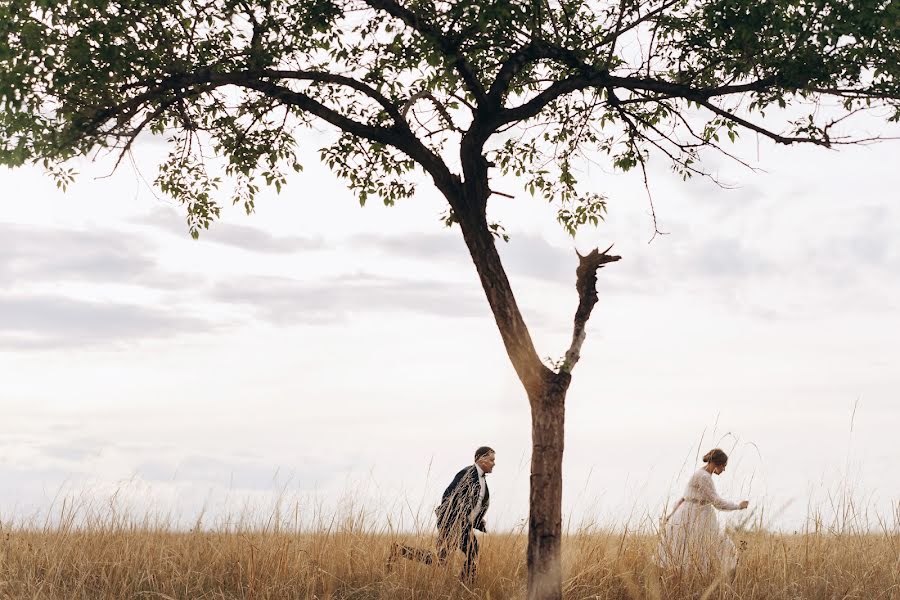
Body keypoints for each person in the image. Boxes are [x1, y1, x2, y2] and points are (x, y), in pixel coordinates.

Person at [386, 446, 495, 585]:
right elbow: (449, 496)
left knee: (444, 558)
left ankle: (400, 550)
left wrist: (478, 522)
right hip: (453, 523)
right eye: (492, 460)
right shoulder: (467, 473)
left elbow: (474, 504)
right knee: (466, 553)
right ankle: (465, 584)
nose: (494, 463)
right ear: (482, 459)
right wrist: (452, 521)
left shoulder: (480, 479)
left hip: (463, 524)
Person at [656, 448, 749, 576]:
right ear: (718, 463)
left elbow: (683, 498)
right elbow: (717, 502)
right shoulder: (703, 477)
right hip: (695, 517)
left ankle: (699, 578)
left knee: (696, 550)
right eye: (724, 466)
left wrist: (671, 515)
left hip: (696, 515)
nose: (724, 469)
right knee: (702, 549)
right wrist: (738, 506)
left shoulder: (702, 474)